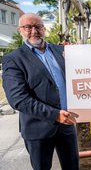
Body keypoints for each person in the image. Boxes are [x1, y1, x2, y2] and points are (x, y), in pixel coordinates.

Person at [2, 13, 79, 170]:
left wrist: (77, 54)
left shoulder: (62, 51)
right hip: (38, 129)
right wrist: (54, 115)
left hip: (67, 124)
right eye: (28, 27)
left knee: (72, 167)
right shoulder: (14, 59)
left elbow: (85, 70)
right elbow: (18, 99)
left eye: (38, 26)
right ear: (20, 30)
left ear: (44, 29)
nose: (33, 31)